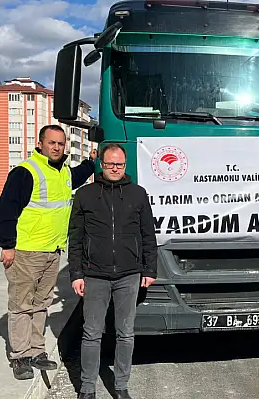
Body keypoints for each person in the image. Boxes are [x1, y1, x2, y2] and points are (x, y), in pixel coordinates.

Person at [0, 125, 96, 380]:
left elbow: (78, 176)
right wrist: (7, 245)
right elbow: (6, 210)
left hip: (52, 252)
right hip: (26, 252)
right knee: (21, 306)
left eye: (61, 144)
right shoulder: (25, 172)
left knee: (41, 305)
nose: (56, 147)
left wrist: (91, 163)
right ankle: (20, 356)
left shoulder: (62, 173)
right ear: (40, 144)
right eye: (52, 143)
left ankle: (37, 351)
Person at [67, 143, 158, 399]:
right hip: (94, 275)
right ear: (101, 165)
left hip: (129, 275)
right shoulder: (85, 195)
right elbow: (75, 237)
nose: (114, 168)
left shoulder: (138, 194)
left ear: (125, 165)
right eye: (109, 164)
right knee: (91, 333)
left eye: (119, 164)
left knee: (125, 333)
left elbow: (148, 235)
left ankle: (120, 386)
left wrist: (149, 269)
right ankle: (87, 388)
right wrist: (76, 274)